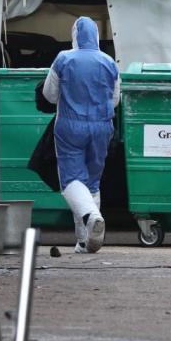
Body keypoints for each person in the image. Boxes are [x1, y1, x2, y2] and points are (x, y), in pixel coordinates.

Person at [42, 16, 120, 253]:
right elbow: (115, 100)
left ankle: (92, 217)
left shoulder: (64, 59)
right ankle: (84, 241)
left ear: (75, 35)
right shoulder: (110, 62)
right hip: (102, 126)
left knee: (71, 181)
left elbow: (49, 95)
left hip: (70, 127)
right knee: (91, 182)